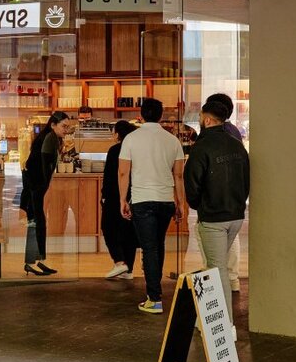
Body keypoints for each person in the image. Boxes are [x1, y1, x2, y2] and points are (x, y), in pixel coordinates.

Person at [184, 100, 250, 340]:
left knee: (216, 268)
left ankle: (224, 325)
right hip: (235, 215)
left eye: (201, 116)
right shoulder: (237, 145)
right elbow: (246, 180)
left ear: (208, 119)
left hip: (213, 217)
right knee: (218, 265)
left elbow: (191, 185)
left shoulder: (202, 147)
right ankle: (212, 320)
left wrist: (199, 206)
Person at [119, 98, 186, 315]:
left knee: (149, 248)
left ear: (141, 114)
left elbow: (123, 172)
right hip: (165, 199)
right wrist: (180, 202)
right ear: (161, 115)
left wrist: (123, 199)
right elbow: (178, 175)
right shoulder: (172, 140)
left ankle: (154, 298)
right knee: (158, 245)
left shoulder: (131, 138)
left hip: (142, 199)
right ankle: (154, 292)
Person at [23, 111, 71, 276]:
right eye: (63, 126)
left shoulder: (50, 137)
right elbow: (44, 167)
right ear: (53, 125)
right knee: (37, 223)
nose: (66, 130)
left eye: (67, 127)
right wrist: (45, 188)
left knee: (37, 223)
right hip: (35, 187)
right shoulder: (49, 138)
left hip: (34, 186)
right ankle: (33, 262)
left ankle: (38, 261)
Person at [205, 92, 244, 292]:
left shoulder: (214, 135)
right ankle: (232, 279)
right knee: (232, 238)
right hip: (233, 200)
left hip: (216, 203)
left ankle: (217, 288)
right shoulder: (235, 133)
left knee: (213, 249)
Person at [101, 120, 139, 280]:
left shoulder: (115, 150)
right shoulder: (137, 150)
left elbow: (110, 176)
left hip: (115, 196)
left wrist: (104, 195)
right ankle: (128, 270)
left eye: (113, 131)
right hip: (134, 195)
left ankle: (119, 262)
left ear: (118, 134)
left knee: (108, 227)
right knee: (128, 231)